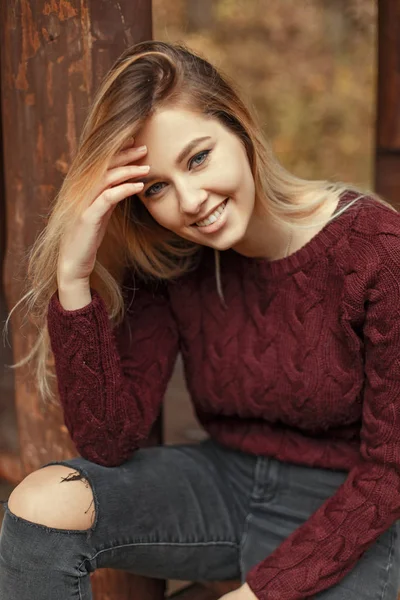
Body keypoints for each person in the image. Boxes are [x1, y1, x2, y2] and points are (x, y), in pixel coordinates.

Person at [1, 40, 400, 600]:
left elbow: (390, 473)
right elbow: (109, 443)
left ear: (238, 126)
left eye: (197, 158)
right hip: (225, 483)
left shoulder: (376, 247)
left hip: (351, 506)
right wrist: (74, 281)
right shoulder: (171, 257)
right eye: (158, 187)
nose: (188, 201)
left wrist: (259, 592)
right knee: (42, 501)